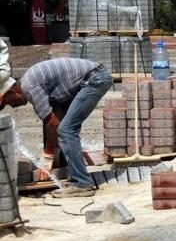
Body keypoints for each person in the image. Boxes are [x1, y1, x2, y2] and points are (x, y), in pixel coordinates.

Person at [0, 58, 112, 197]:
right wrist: (55, 153)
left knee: (66, 130)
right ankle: (68, 170)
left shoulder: (29, 88)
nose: (13, 107)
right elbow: (56, 116)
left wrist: (47, 156)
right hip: (92, 76)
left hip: (94, 79)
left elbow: (52, 124)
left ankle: (82, 184)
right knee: (64, 128)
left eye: (8, 102)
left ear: (12, 93)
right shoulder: (30, 82)